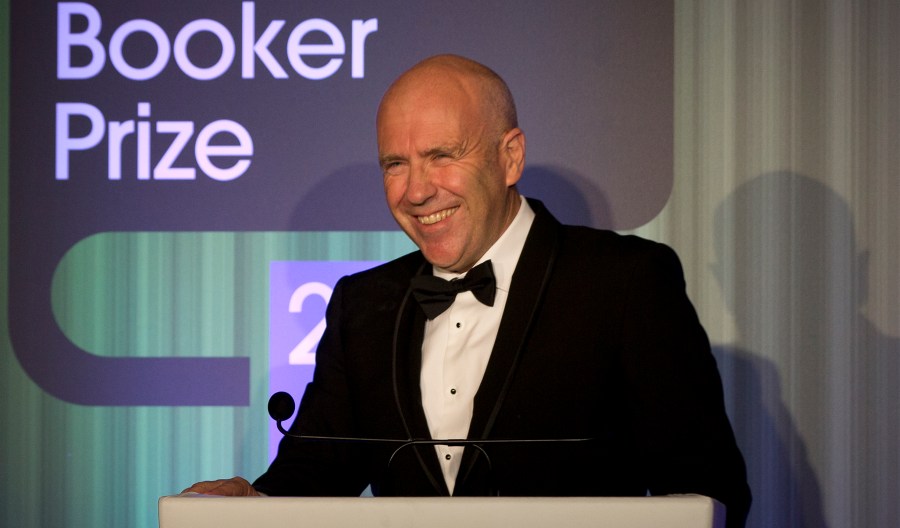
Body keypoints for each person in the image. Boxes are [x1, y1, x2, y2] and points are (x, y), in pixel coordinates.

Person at [185, 54, 751, 526]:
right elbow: (315, 474)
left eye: (441, 156)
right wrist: (253, 505)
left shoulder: (624, 281)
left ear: (510, 157)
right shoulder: (363, 305)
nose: (416, 191)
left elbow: (706, 491)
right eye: (395, 164)